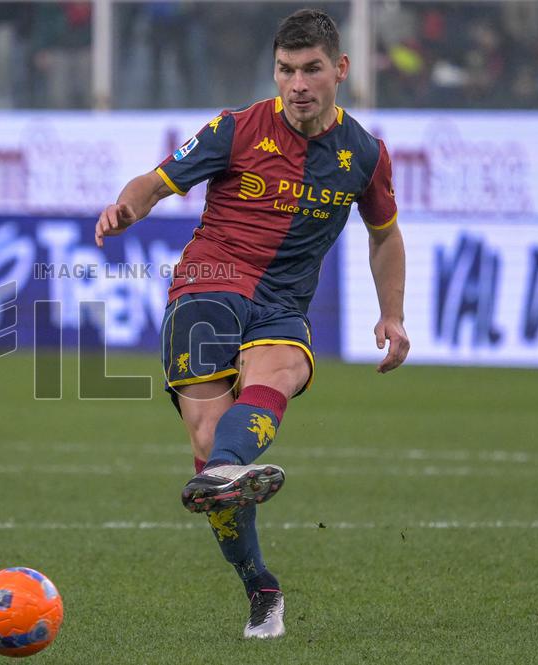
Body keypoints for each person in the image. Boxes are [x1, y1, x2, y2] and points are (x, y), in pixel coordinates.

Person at [95, 9, 408, 640]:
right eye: (286, 70)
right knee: (210, 441)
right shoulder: (234, 129)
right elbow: (155, 182)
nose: (298, 85)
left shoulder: (365, 155)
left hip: (282, 303)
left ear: (340, 70)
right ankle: (260, 586)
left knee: (281, 370)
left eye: (311, 69)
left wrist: (393, 314)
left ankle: (225, 472)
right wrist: (126, 206)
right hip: (207, 285)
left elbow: (384, 235)